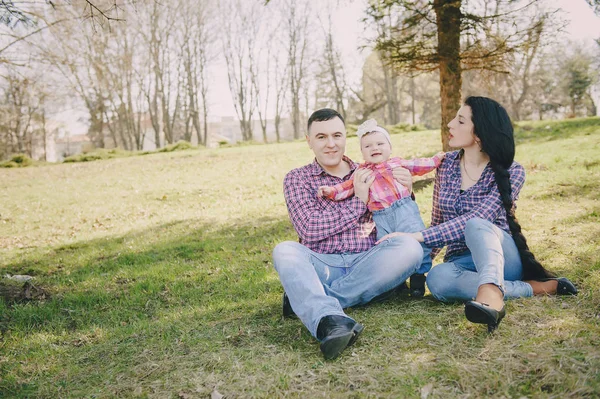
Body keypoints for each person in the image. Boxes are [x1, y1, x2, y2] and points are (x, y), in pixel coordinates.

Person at [381, 96, 577, 333]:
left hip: (502, 257)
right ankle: (533, 288)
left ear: (479, 134)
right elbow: (438, 223)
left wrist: (417, 236)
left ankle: (492, 294)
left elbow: (479, 217)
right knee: (438, 280)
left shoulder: (512, 171)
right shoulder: (446, 165)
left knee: (475, 223)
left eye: (460, 121)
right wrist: (417, 268)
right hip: (461, 262)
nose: (450, 124)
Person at [272, 108, 424, 359]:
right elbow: (309, 229)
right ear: (309, 141)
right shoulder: (297, 179)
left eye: (337, 135)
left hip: (367, 261)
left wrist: (406, 191)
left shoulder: (371, 170)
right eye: (321, 137)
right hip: (323, 263)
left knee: (410, 249)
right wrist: (359, 202)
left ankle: (310, 299)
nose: (331, 144)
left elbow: (399, 218)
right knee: (285, 250)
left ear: (345, 138)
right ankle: (329, 321)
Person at [317, 119, 445, 297]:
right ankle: (396, 280)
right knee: (386, 248)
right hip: (380, 217)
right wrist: (330, 191)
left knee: (418, 239)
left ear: (389, 148)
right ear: (362, 152)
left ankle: (418, 276)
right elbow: (346, 187)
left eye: (380, 143)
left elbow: (419, 165)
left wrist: (436, 160)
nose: (374, 148)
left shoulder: (397, 163)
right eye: (368, 146)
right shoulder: (361, 172)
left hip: (404, 210)